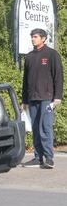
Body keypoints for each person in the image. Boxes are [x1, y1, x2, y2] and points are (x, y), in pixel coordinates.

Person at [21, 28, 63, 169]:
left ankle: (49, 158)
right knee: (35, 129)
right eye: (32, 36)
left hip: (47, 98)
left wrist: (57, 97)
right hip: (33, 98)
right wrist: (24, 100)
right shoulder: (29, 57)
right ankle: (38, 158)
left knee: (45, 128)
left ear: (43, 39)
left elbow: (58, 77)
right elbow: (25, 80)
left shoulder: (52, 55)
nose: (33, 39)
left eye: (36, 36)